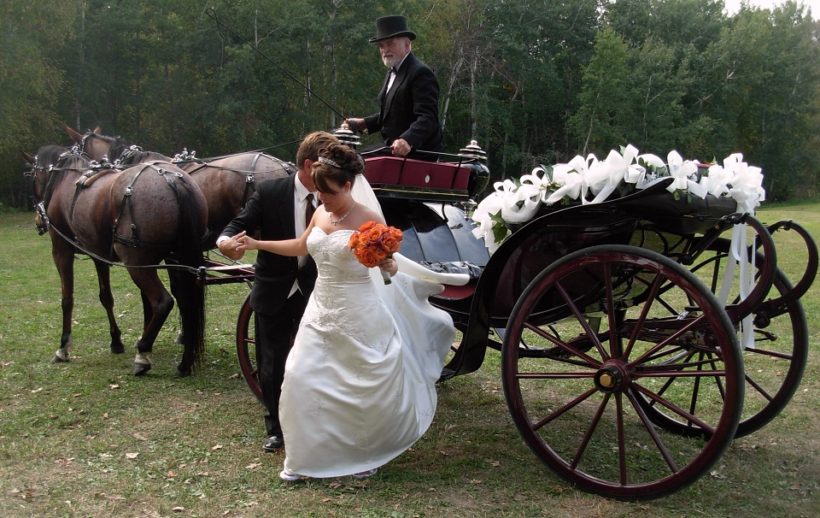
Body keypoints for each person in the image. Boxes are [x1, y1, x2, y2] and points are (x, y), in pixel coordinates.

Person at [234, 143, 456, 481]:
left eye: (330, 193)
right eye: (319, 193)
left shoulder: (370, 219)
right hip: (320, 307)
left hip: (358, 310)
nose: (323, 200)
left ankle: (363, 453)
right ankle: (304, 458)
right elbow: (300, 246)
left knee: (357, 382)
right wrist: (257, 244)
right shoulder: (321, 213)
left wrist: (386, 263)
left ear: (348, 186)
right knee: (299, 374)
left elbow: (389, 267)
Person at [217, 131, 340, 453]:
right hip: (274, 290)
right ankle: (277, 428)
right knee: (271, 362)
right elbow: (237, 225)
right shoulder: (270, 192)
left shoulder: (333, 199)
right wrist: (225, 242)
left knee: (315, 358)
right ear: (309, 165)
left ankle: (315, 419)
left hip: (317, 291)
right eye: (326, 167)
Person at [345, 15, 443, 157]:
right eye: (381, 45)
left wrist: (407, 139)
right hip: (392, 148)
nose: (385, 50)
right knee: (347, 158)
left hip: (416, 153)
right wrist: (364, 123)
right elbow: (394, 113)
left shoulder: (420, 73)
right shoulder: (393, 70)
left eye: (390, 43)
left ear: (407, 44)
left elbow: (428, 118)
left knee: (353, 162)